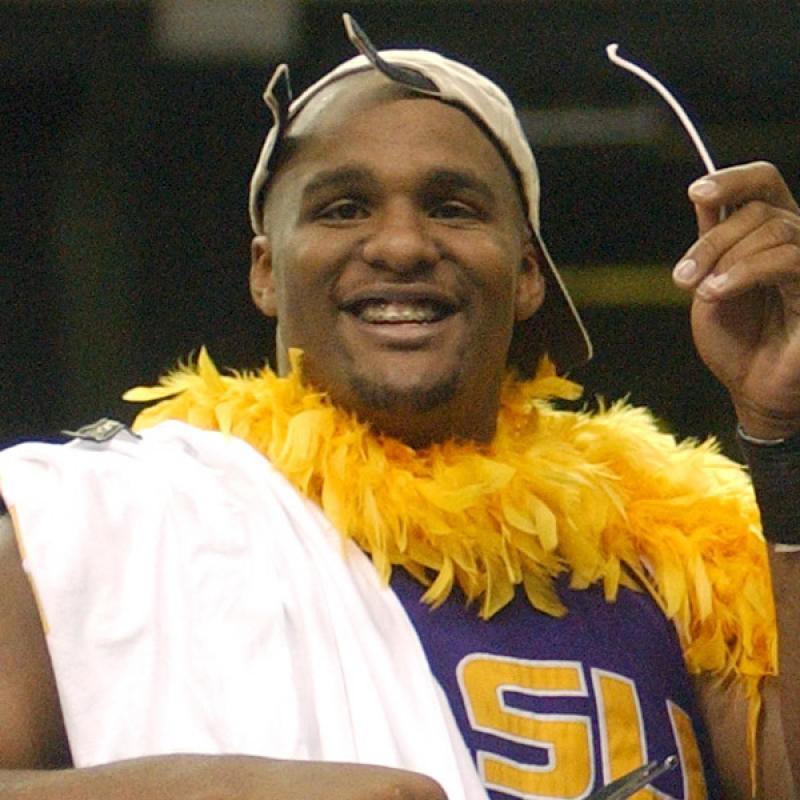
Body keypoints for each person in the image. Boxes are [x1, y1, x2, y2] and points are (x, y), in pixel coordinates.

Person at [0, 14, 798, 800]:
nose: (403, 246)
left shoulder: (679, 546)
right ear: (265, 273)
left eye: (454, 207)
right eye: (343, 208)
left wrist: (787, 433)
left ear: (527, 274)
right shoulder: (102, 524)